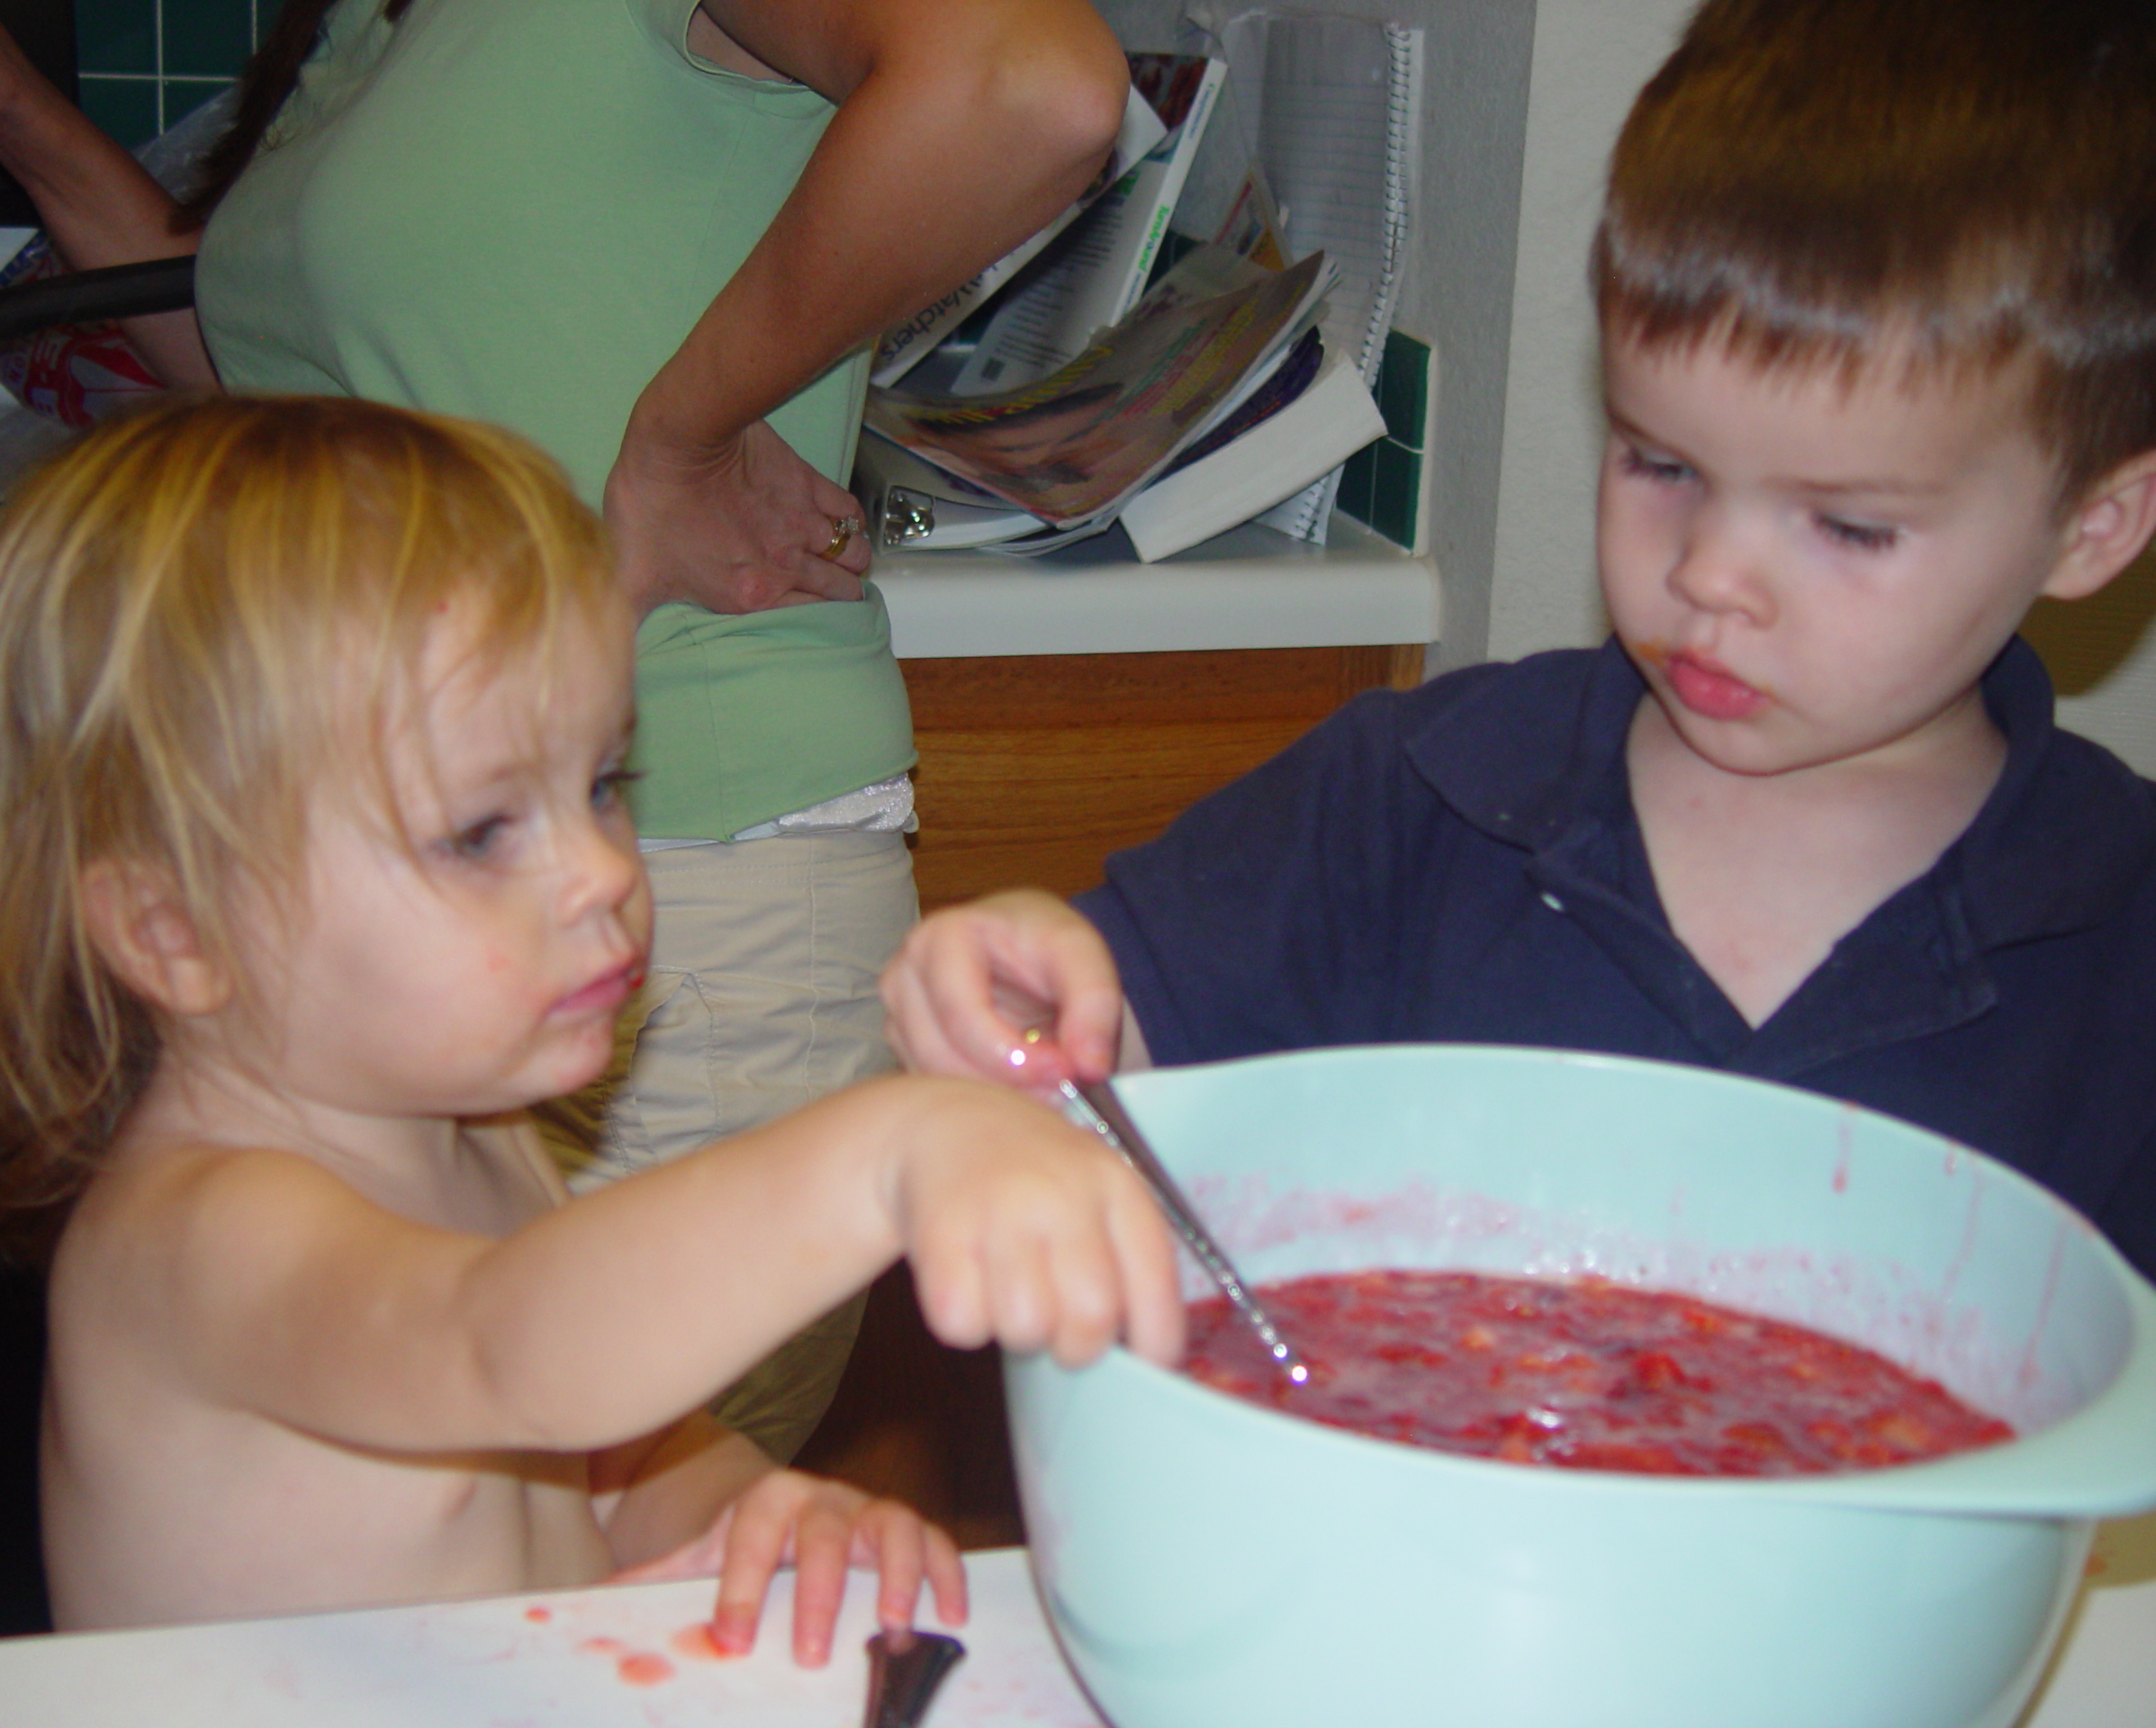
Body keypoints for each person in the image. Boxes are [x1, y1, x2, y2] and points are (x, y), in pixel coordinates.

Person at [0, 0, 1132, 1459]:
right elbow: (304, 405)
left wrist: (682, 438)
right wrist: (17, 119)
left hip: (704, 861)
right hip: (401, 949)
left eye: (591, 793)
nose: (598, 870)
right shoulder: (373, 29)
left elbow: (1027, 81)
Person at [881, 0, 2156, 1282]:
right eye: (1661, 462)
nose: (1709, 573)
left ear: (2093, 526)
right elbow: (1101, 1050)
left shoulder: (2123, 944)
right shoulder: (1421, 796)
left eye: (1849, 527)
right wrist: (1021, 1005)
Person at [0, 394, 1180, 1640]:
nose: (601, 873)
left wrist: (755, 1510)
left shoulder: (477, 1139)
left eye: (598, 784)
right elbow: (505, 1351)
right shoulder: (199, 1236)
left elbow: (607, 1455)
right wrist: (886, 1151)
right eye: (481, 832)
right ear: (174, 934)